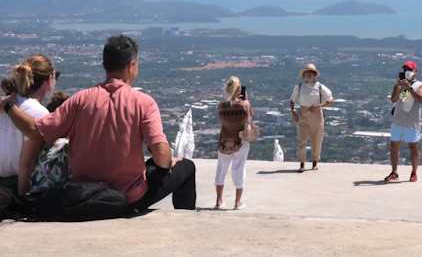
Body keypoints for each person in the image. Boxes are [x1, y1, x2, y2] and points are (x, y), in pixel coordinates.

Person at [0, 35, 197, 218]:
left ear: (105, 65)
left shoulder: (80, 99)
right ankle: (186, 224)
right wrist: (169, 161)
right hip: (127, 197)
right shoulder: (143, 102)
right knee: (186, 167)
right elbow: (161, 156)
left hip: (85, 194)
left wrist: (9, 105)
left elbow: (36, 131)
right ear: (131, 65)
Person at [0, 55, 57, 219]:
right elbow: (28, 162)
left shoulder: (5, 105)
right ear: (49, 80)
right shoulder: (40, 113)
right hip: (20, 186)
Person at [385, 61, 422, 183]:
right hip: (398, 120)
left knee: (413, 146)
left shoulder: (421, 85)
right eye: (405, 69)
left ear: (415, 72)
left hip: (412, 122)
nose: (407, 72)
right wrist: (399, 87)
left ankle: (414, 172)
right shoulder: (399, 84)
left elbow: (420, 99)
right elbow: (394, 99)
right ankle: (394, 172)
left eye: (409, 69)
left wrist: (409, 87)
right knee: (394, 146)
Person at [215, 76, 253, 210]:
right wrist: (245, 100)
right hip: (240, 142)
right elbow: (250, 118)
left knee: (221, 170)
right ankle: (237, 202)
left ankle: (219, 201)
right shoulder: (244, 105)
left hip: (224, 141)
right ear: (238, 90)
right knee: (239, 169)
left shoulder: (221, 107)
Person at [290, 63, 333, 173]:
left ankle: (315, 162)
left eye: (311, 73)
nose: (309, 75)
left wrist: (320, 106)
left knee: (316, 139)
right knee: (302, 140)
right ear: (304, 75)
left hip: (316, 113)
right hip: (303, 112)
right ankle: (302, 163)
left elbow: (330, 99)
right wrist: (293, 111)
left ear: (314, 75)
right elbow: (292, 100)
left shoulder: (320, 87)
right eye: (307, 73)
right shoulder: (299, 87)